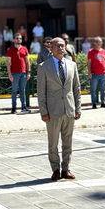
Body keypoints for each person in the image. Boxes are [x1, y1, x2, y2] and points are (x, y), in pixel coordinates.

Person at [37, 37, 82, 181]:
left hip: (69, 109)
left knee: (67, 141)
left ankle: (66, 169)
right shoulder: (44, 66)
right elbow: (41, 92)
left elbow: (76, 88)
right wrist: (43, 111)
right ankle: (55, 169)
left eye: (63, 46)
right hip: (52, 111)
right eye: (58, 46)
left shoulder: (72, 65)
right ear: (51, 47)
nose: (61, 48)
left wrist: (78, 107)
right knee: (53, 142)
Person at [7, 33, 31, 114]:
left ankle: (23, 106)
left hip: (23, 73)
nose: (19, 39)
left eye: (20, 38)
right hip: (14, 73)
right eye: (17, 38)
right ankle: (14, 107)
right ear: (14, 39)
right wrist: (9, 74)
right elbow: (8, 63)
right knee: (14, 91)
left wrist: (28, 72)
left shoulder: (24, 49)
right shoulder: (10, 50)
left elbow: (27, 62)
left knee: (22, 90)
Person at [87, 37, 105, 109]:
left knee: (103, 89)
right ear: (94, 43)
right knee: (93, 89)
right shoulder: (91, 52)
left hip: (103, 73)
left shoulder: (104, 51)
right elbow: (89, 62)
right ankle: (94, 103)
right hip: (95, 74)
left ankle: (103, 102)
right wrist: (89, 72)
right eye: (97, 41)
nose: (99, 43)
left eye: (100, 42)